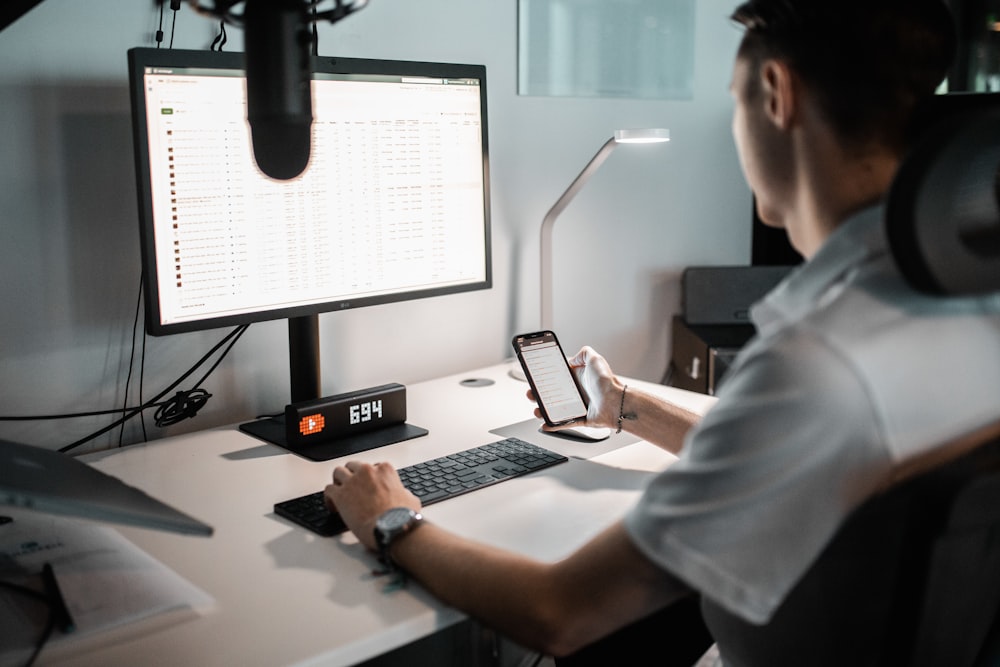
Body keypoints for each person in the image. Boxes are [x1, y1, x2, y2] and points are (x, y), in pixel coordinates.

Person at [325, 0, 1000, 663]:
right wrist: (624, 404)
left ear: (775, 92)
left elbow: (561, 611)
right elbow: (793, 456)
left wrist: (393, 519)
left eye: (734, 102)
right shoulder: (961, 301)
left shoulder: (820, 359)